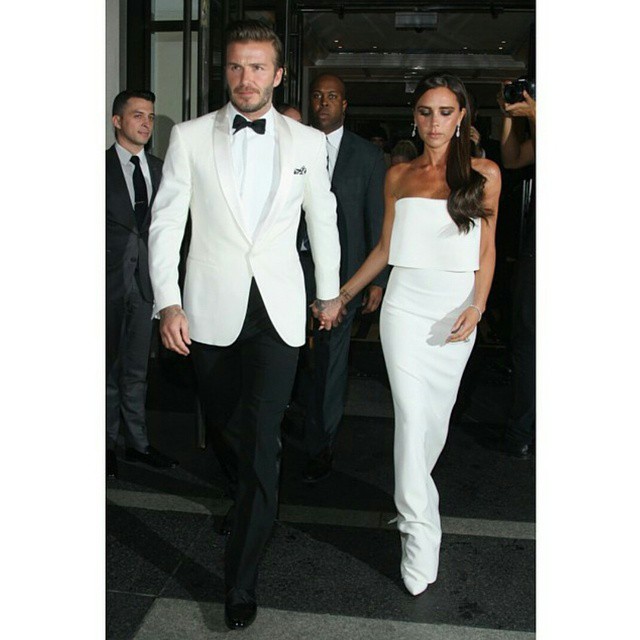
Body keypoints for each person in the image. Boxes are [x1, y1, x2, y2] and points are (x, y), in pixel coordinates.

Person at [148, 20, 343, 630]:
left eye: (258, 67)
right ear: (224, 71)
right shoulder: (188, 137)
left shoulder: (307, 142)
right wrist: (167, 302)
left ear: (278, 74)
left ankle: (240, 581)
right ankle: (246, 493)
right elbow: (166, 223)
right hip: (209, 309)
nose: (245, 78)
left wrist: (329, 295)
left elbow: (323, 220)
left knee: (262, 439)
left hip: (278, 312)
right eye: (236, 66)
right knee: (226, 427)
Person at [327, 73, 501, 595]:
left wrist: (477, 306)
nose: (434, 122)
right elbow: (384, 249)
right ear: (415, 118)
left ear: (462, 116)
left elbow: (487, 250)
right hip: (403, 308)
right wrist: (342, 296)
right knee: (410, 417)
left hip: (454, 310)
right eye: (426, 112)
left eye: (445, 112)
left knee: (433, 424)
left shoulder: (485, 174)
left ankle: (414, 500)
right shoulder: (398, 175)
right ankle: (419, 531)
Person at [300, 73, 387, 483]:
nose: (323, 103)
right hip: (290, 271)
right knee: (290, 360)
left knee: (331, 363)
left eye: (332, 96)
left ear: (344, 104)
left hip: (343, 280)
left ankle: (321, 446)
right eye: (318, 96)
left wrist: (376, 280)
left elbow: (377, 221)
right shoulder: (294, 145)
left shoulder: (367, 157)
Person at [106, 89, 178, 479]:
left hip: (146, 284)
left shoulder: (162, 169)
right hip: (106, 284)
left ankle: (137, 443)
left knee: (136, 369)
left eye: (150, 116)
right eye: (137, 115)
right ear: (117, 121)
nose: (146, 123)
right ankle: (104, 445)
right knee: (104, 369)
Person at [498, 81, 536, 459]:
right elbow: (511, 159)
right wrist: (509, 117)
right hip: (535, 250)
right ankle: (520, 430)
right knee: (526, 341)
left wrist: (536, 114)